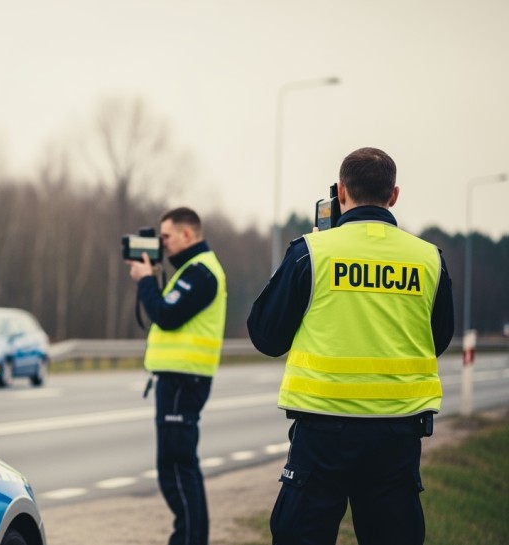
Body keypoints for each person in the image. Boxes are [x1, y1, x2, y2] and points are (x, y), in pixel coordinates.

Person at [248, 147, 454, 545]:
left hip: (322, 433)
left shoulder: (310, 253)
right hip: (397, 435)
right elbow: (438, 340)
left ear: (341, 192)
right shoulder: (430, 259)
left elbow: (266, 337)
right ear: (394, 195)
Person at [128, 206, 227, 545]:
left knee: (177, 469)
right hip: (179, 380)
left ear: (187, 234)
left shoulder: (200, 272)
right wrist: (152, 278)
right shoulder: (191, 269)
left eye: (166, 236)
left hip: (184, 381)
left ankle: (188, 539)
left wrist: (145, 280)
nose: (162, 243)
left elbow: (166, 314)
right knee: (177, 467)